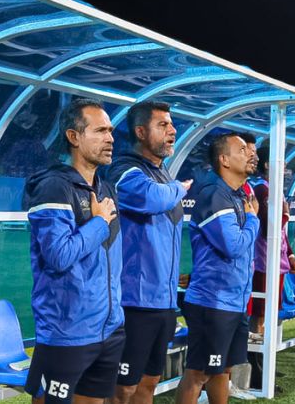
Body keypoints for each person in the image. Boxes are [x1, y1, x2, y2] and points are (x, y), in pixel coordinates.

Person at [24, 98, 124, 404]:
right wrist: (97, 224)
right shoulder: (54, 186)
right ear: (73, 137)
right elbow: (58, 256)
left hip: (108, 329)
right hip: (66, 332)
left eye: (110, 131)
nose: (110, 138)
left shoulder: (105, 188)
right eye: (100, 131)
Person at [108, 101, 192, 404]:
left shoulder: (162, 172)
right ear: (141, 132)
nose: (172, 131)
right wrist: (180, 188)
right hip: (134, 301)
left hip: (164, 300)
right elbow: (150, 198)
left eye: (171, 125)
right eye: (163, 125)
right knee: (122, 387)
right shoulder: (124, 169)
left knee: (150, 381)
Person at [175, 133, 259, 404]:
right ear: (224, 160)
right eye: (242, 149)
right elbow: (233, 246)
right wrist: (254, 221)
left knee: (223, 370)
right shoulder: (215, 194)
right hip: (213, 302)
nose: (251, 154)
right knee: (199, 373)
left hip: (234, 301)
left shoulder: (236, 196)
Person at [248, 145, 295, 339]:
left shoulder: (275, 190)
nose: (285, 164)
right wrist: (285, 214)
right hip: (264, 262)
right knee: (261, 311)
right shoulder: (262, 189)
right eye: (281, 160)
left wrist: (291, 254)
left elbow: (282, 233)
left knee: (271, 310)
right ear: (269, 164)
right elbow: (269, 227)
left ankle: (265, 358)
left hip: (277, 261)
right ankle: (257, 361)